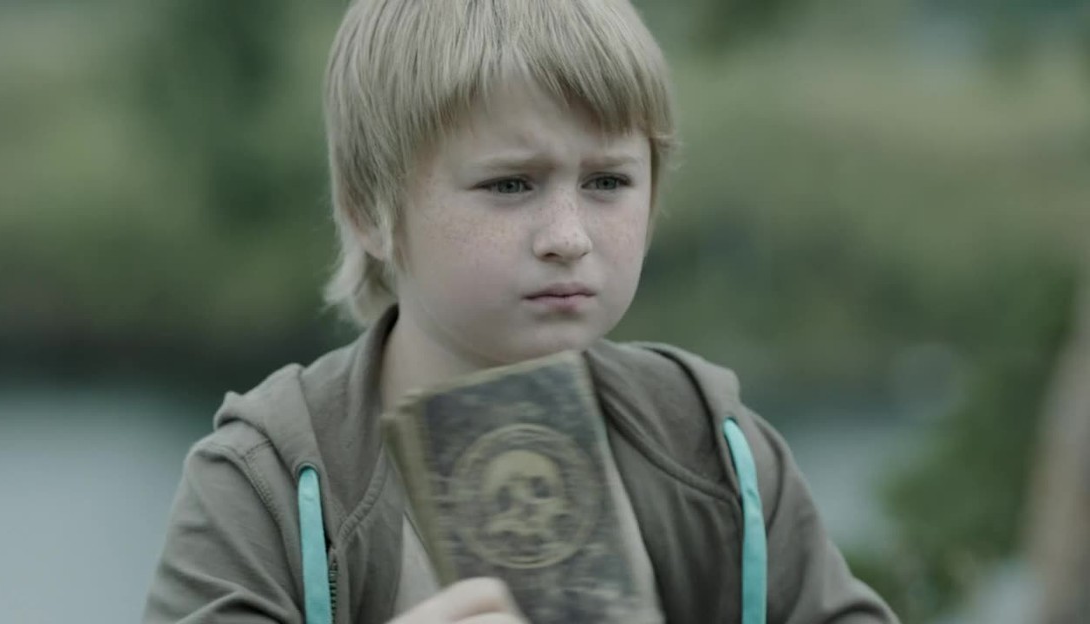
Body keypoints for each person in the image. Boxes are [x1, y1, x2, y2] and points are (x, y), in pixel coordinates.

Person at [143, 1, 898, 622]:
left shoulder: (713, 447)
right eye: (510, 185)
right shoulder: (267, 483)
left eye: (607, 182)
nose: (568, 237)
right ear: (370, 211)